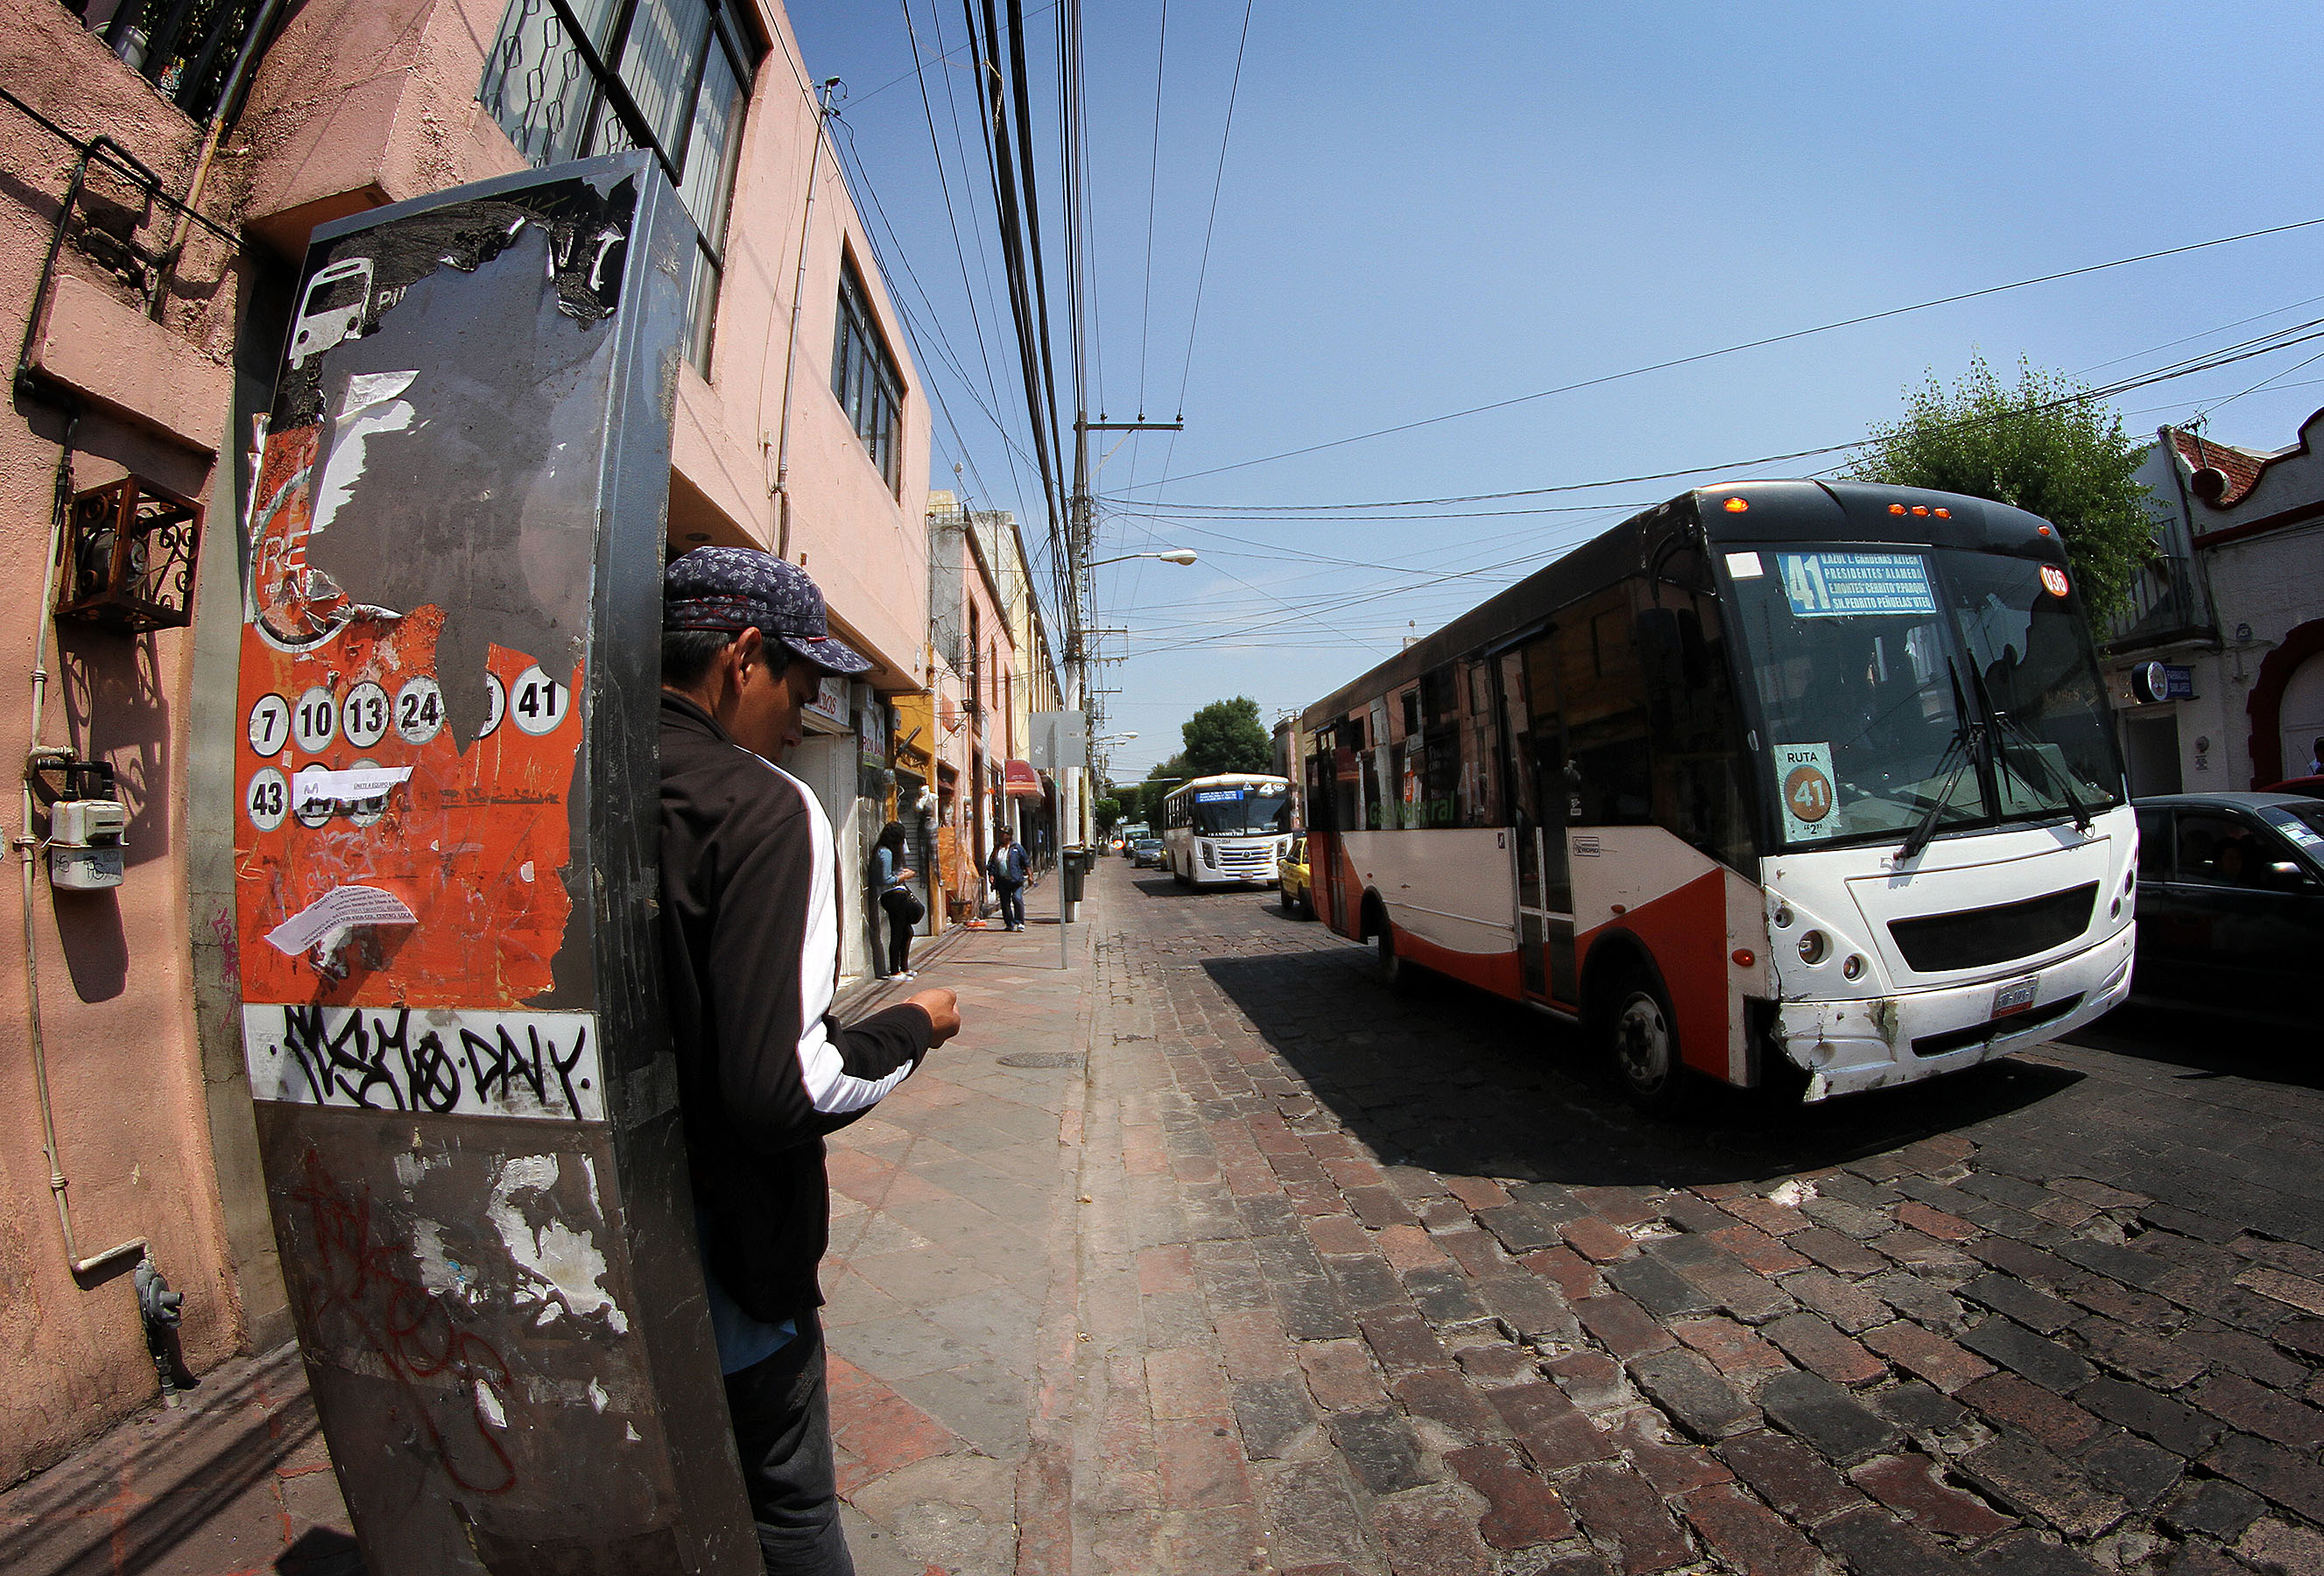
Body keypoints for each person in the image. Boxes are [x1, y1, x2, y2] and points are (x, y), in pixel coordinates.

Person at [658, 545, 962, 1574]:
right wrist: (915, 1027)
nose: (802, 718)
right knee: (786, 1505)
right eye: (800, 687)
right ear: (743, 658)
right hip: (730, 1249)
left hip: (597, 1241)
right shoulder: (761, 806)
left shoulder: (574, 777)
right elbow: (782, 1087)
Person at [869, 821, 920, 980]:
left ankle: (903, 967)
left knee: (907, 932)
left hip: (896, 895)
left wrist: (901, 872)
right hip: (893, 896)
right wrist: (904, 876)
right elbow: (886, 879)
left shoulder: (887, 852)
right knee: (898, 933)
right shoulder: (886, 853)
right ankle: (894, 971)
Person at [987, 826, 1030, 932]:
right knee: (1005, 903)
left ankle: (1020, 922)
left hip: (1016, 880)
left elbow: (1026, 862)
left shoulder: (1017, 848)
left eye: (1005, 834)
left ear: (1010, 836)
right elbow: (992, 863)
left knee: (1017, 898)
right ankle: (1009, 923)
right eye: (1001, 834)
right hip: (1003, 880)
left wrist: (1030, 876)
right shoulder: (997, 849)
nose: (1002, 836)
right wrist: (992, 874)